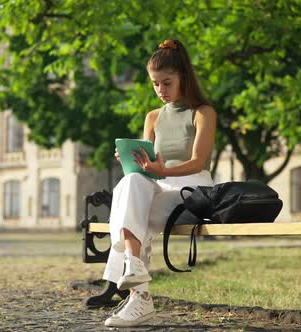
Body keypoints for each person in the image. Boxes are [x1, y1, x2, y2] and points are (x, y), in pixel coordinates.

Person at [102, 39, 216, 327]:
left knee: (130, 201)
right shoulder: (152, 117)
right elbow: (147, 172)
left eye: (167, 83)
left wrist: (160, 170)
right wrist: (132, 159)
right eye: (155, 84)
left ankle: (139, 294)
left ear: (184, 78)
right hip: (159, 191)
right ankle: (135, 270)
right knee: (131, 182)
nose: (161, 91)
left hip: (192, 192)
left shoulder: (203, 113)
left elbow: (198, 162)